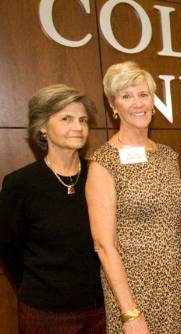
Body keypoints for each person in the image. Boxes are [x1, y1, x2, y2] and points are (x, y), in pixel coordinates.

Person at [87, 62, 181, 334]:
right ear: (114, 107)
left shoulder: (168, 155)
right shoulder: (104, 162)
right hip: (132, 290)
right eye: (126, 96)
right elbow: (103, 245)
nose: (137, 103)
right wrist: (130, 313)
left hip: (174, 287)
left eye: (143, 94)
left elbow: (179, 220)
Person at [0, 85, 105, 333]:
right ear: (42, 127)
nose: (78, 127)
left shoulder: (100, 175)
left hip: (101, 308)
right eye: (66, 119)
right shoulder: (21, 184)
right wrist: (38, 285)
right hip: (46, 312)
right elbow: (8, 245)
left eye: (82, 120)